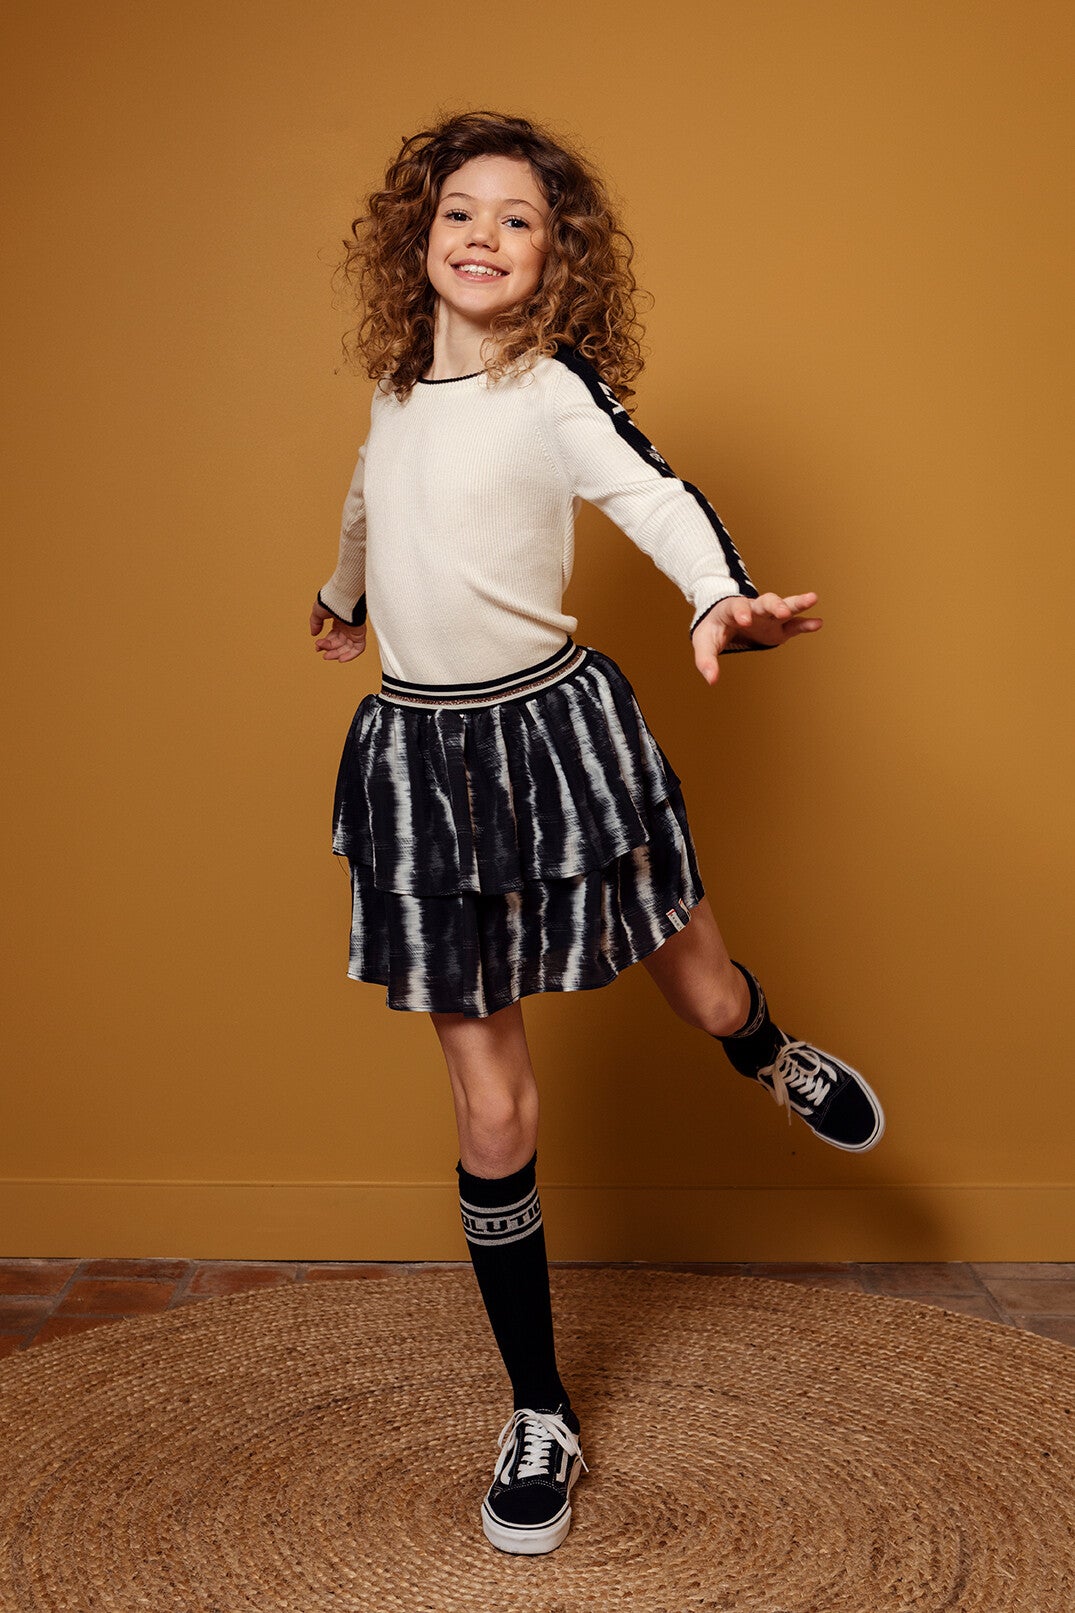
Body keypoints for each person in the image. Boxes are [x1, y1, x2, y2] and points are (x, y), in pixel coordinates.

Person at [309, 109, 885, 1558]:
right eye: (461, 210)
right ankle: (541, 1407)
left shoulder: (552, 389)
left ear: (556, 258)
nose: (484, 236)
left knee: (702, 991)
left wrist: (720, 597)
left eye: (519, 219)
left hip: (558, 742)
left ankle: (768, 1050)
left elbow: (654, 493)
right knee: (491, 1108)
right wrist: (341, 594)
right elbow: (372, 495)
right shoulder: (393, 387)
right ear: (418, 234)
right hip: (423, 765)